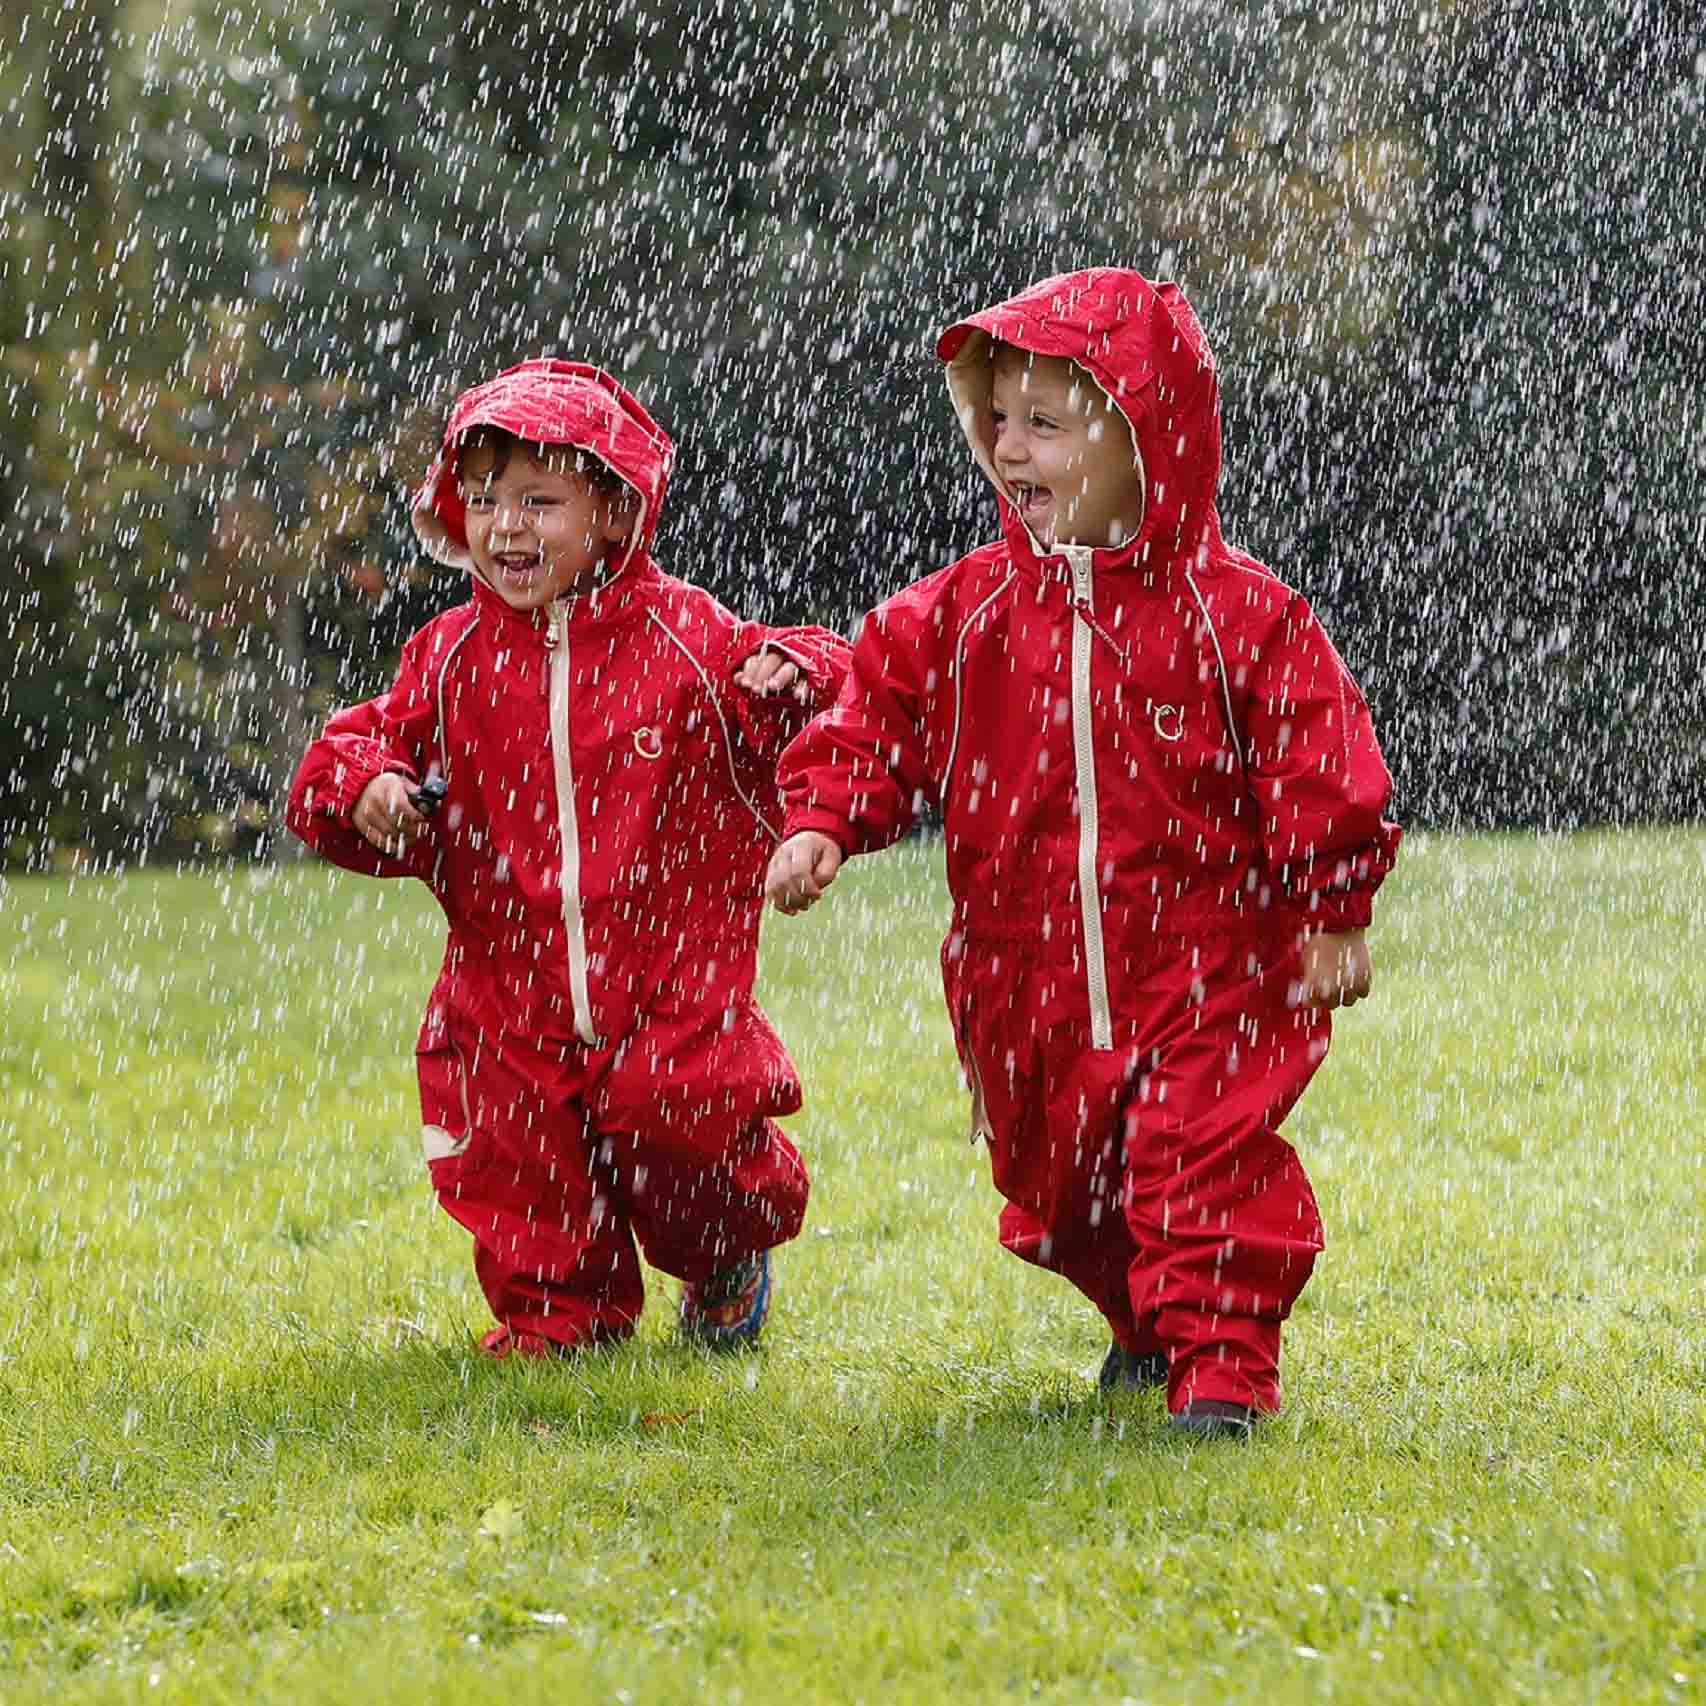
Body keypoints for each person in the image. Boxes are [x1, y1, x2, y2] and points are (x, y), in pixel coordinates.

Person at [765, 269, 1400, 1439]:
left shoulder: (1238, 616)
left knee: (1194, 1153)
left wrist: (1330, 904)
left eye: (1044, 423)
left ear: (1143, 435)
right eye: (995, 418)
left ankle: (1219, 1361)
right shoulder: (964, 613)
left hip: (1210, 970)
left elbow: (1317, 758)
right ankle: (1144, 1308)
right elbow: (876, 709)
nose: (1009, 447)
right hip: (1027, 979)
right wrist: (822, 815)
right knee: (1065, 1187)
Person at [287, 359, 849, 1359]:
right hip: (509, 980)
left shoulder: (684, 634)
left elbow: (830, 685)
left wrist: (791, 674)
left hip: (668, 971)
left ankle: (724, 1249)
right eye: (485, 499)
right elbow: (350, 748)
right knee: (518, 1157)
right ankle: (562, 1318)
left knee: (682, 1119)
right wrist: (367, 784)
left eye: (539, 500)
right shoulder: (449, 656)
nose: (507, 526)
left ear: (615, 514)